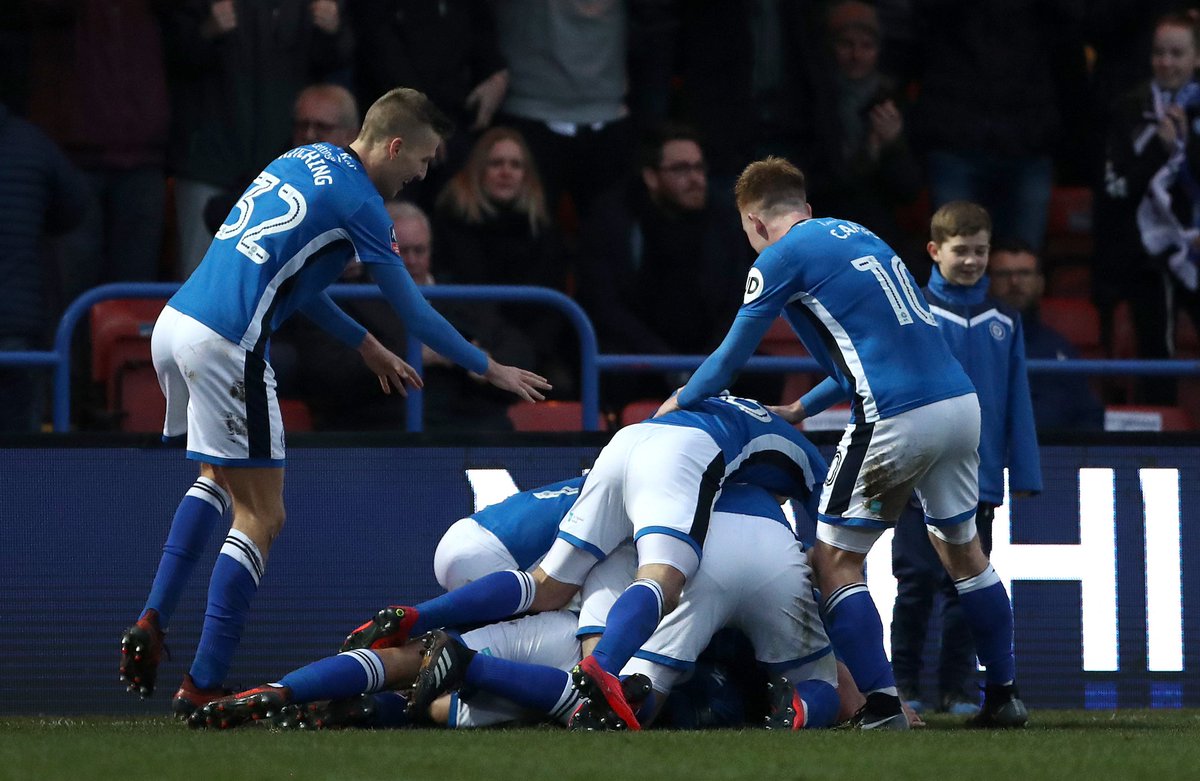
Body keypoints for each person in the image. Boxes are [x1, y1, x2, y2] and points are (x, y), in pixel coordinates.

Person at [117, 87, 551, 717]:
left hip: (175, 324)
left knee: (216, 479)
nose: (422, 173)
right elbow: (419, 315)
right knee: (263, 518)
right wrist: (490, 368)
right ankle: (204, 683)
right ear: (395, 144)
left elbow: (294, 281)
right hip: (228, 343)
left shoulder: (302, 160)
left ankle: (153, 617)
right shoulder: (365, 207)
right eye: (423, 159)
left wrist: (365, 342)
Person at [655, 157, 1028, 730]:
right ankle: (1004, 695)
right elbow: (879, 341)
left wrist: (682, 398)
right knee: (965, 554)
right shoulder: (859, 234)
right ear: (804, 209)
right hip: (959, 404)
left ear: (753, 222)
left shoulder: (779, 257)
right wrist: (804, 407)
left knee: (833, 559)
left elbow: (730, 358)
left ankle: (880, 705)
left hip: (896, 415)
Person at [336, 394, 829, 731]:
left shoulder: (637, 463)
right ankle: (448, 670)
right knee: (626, 687)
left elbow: (550, 588)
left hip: (526, 571)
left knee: (516, 613)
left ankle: (342, 678)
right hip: (601, 616)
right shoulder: (710, 490)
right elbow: (836, 555)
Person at [188, 483, 845, 733]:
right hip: (613, 651)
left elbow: (539, 588)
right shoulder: (677, 532)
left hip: (573, 622)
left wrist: (423, 614)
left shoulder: (634, 510)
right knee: (599, 700)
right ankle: (445, 675)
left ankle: (288, 689)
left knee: (419, 670)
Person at [890, 202, 1042, 716]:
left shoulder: (1006, 320)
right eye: (962, 250)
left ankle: (958, 690)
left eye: (981, 251)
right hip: (917, 476)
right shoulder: (915, 313)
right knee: (914, 584)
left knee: (966, 589)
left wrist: (1023, 471)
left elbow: (1017, 399)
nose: (973, 261)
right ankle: (901, 685)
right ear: (935, 251)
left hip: (978, 481)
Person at [278, 200, 533, 432]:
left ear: (431, 251)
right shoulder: (348, 299)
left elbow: (517, 352)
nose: (411, 261)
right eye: (401, 252)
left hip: (469, 426)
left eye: (419, 251)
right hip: (380, 431)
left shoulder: (463, 297)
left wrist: (480, 361)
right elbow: (325, 376)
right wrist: (414, 355)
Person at [164, 0, 354, 278]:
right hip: (208, 162)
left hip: (285, 165)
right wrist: (205, 32)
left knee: (281, 277)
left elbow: (337, 60)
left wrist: (333, 32)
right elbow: (166, 53)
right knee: (202, 279)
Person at [577, 123, 756, 408]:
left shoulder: (723, 219)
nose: (696, 178)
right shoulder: (613, 219)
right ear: (651, 176)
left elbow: (739, 297)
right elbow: (605, 305)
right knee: (611, 373)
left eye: (699, 168)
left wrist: (710, 362)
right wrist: (664, 361)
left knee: (764, 373)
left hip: (708, 351)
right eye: (681, 169)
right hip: (639, 354)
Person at [1093, 10, 1200, 405]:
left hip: (1197, 249)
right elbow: (1116, 189)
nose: (1167, 63)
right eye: (1159, 53)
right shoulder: (1128, 108)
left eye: (1177, 53)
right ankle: (1167, 450)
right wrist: (1160, 149)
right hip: (1145, 256)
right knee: (1157, 354)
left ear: (1197, 58)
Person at [433, 126, 573, 394]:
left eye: (516, 165)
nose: (506, 172)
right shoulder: (449, 224)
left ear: (526, 175)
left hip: (530, 351)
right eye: (496, 163)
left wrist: (523, 353)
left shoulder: (544, 231)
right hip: (466, 349)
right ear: (478, 170)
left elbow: (551, 309)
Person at [806, 1, 926, 282]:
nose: (856, 55)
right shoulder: (812, 104)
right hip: (824, 232)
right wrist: (868, 152)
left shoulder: (892, 103)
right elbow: (815, 184)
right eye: (846, 44)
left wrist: (894, 143)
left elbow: (909, 190)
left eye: (866, 45)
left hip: (880, 234)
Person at [0, 100, 89, 432]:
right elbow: (76, 207)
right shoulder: (32, 142)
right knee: (22, 452)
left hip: (17, 322)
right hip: (17, 322)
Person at [988, 237, 1105, 431]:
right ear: (987, 283)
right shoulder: (969, 345)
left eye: (1024, 274)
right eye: (1003, 274)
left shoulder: (1061, 351)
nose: (1014, 282)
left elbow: (1089, 417)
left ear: (1040, 283)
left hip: (1054, 458)